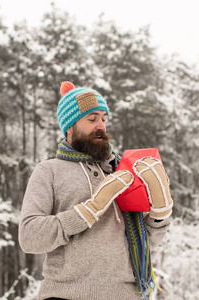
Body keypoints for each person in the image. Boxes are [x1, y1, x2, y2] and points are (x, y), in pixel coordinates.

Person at [18, 81, 173, 300]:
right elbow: (30, 237)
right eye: (92, 119)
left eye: (103, 118)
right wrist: (90, 209)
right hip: (65, 296)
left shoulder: (122, 169)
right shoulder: (48, 171)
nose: (100, 125)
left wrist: (160, 213)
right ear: (69, 126)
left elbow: (143, 244)